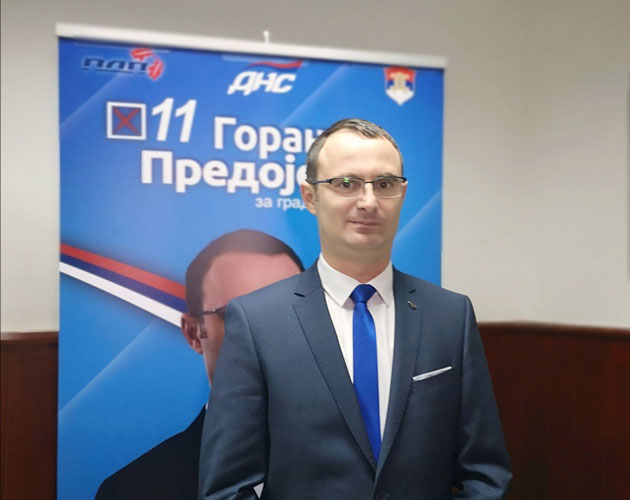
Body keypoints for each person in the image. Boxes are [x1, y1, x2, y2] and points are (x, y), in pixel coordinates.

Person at [199, 119, 512, 499]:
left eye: (385, 184)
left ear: (402, 193)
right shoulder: (257, 322)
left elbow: (485, 472)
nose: (368, 201)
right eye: (346, 184)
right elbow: (228, 487)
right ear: (310, 196)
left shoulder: (450, 316)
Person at [95, 230, 303, 500]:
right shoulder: (132, 492)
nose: (269, 333)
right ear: (193, 332)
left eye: (288, 311)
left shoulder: (354, 466)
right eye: (237, 316)